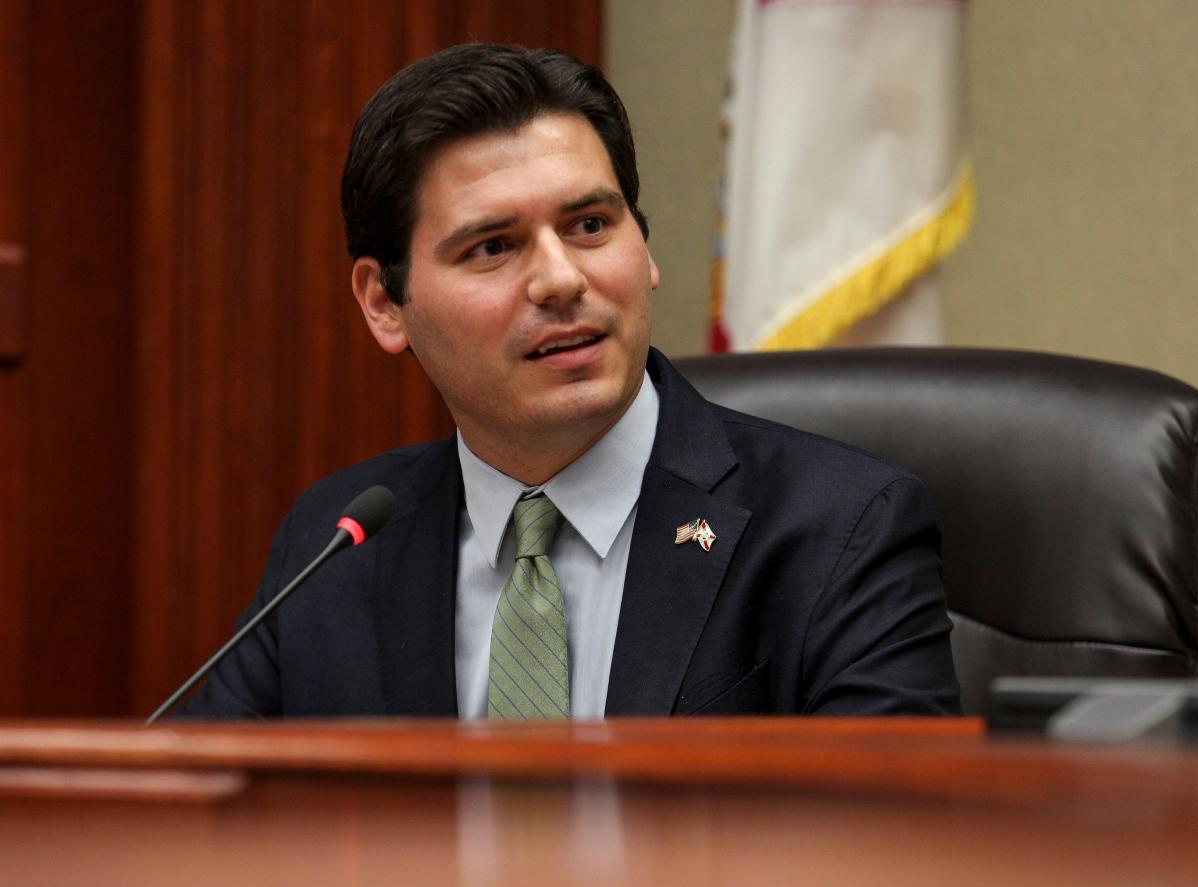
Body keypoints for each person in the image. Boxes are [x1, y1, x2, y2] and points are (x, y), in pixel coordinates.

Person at [181, 43, 959, 719]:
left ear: (644, 250)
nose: (560, 279)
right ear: (385, 304)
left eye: (590, 226)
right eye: (493, 246)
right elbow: (196, 824)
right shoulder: (337, 545)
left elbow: (892, 842)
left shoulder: (841, 528)